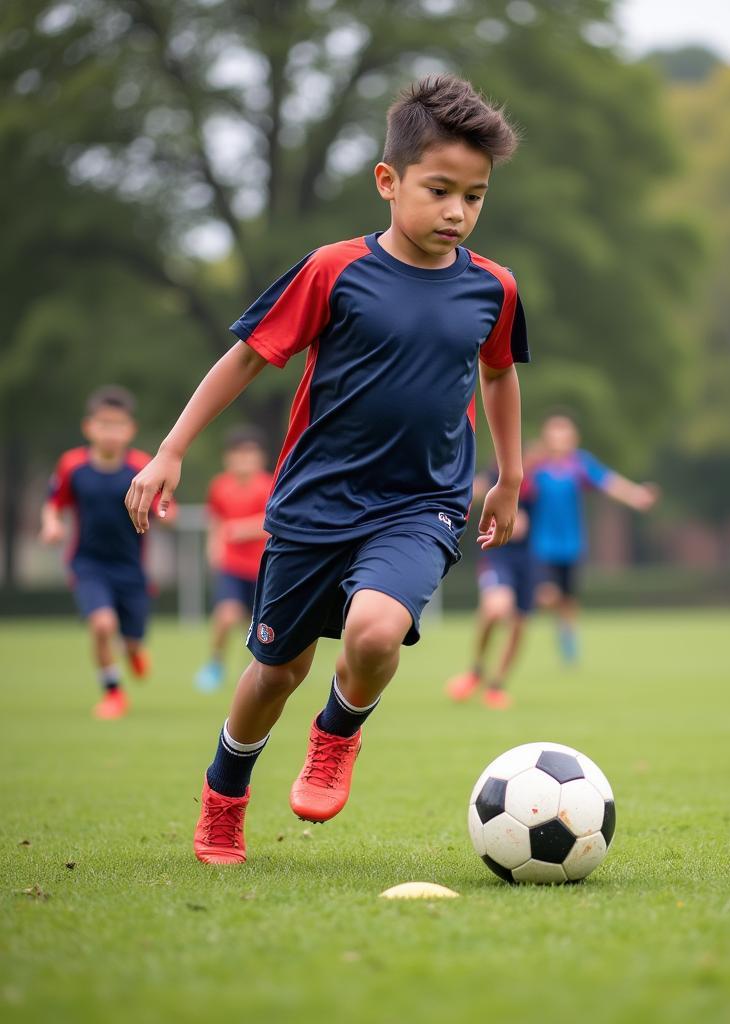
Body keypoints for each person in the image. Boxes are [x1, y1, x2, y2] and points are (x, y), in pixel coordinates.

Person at [125, 75, 528, 865]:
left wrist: (508, 476)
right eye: (439, 190)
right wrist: (171, 448)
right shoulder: (334, 270)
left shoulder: (494, 287)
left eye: (474, 197)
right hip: (314, 506)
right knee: (276, 672)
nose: (457, 212)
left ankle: (337, 733)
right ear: (389, 181)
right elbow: (247, 357)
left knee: (377, 630)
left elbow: (502, 372)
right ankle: (224, 799)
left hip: (423, 503)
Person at [40, 386, 174, 719]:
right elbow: (53, 504)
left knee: (130, 639)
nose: (110, 432)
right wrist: (51, 524)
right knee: (102, 625)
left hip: (131, 569)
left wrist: (166, 514)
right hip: (88, 564)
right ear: (89, 427)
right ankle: (113, 693)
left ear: (130, 429)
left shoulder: (142, 466)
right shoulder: (72, 466)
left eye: (118, 425)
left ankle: (133, 650)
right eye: (104, 424)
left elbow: (164, 507)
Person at [529, 413, 658, 663]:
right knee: (546, 594)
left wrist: (636, 495)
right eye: (555, 433)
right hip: (541, 545)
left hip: (570, 545)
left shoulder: (579, 465)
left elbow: (608, 482)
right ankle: (542, 622)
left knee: (568, 600)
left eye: (565, 433)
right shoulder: (536, 468)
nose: (560, 439)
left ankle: (568, 640)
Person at [444, 461, 538, 710]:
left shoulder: (542, 479)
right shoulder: (496, 473)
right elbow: (470, 491)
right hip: (497, 554)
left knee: (519, 623)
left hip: (529, 559)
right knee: (496, 608)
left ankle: (496, 686)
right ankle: (475, 671)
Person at [194, 427, 274, 692]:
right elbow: (216, 520)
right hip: (232, 566)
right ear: (227, 458)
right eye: (237, 455)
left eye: (249, 454)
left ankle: (263, 669)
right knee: (226, 617)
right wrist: (213, 547)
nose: (243, 460)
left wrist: (243, 529)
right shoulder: (220, 486)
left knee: (264, 626)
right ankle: (215, 665)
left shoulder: (270, 484)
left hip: (264, 568)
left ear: (260, 458)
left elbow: (273, 522)